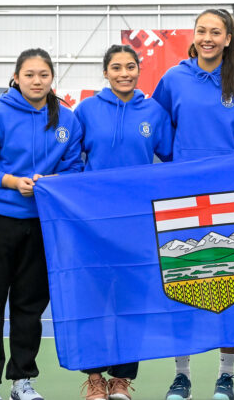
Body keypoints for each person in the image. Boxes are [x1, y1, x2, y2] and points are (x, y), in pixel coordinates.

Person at [0, 48, 85, 400]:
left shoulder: (68, 119)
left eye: (43, 74)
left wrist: (53, 182)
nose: (36, 80)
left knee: (30, 304)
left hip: (43, 224)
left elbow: (75, 167)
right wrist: (12, 181)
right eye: (29, 74)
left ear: (52, 79)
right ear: (16, 77)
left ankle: (22, 380)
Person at [153, 8, 234, 400]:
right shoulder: (173, 78)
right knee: (182, 284)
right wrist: (183, 167)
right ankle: (182, 375)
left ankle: (225, 376)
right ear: (193, 35)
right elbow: (160, 132)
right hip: (181, 198)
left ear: (229, 38)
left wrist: (232, 171)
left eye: (216, 32)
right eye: (202, 31)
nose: (208, 37)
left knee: (230, 286)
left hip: (231, 201)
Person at [74, 44, 173, 400]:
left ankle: (121, 379)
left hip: (137, 221)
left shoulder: (154, 112)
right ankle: (96, 378)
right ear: (105, 72)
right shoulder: (85, 110)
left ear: (139, 70)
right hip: (94, 222)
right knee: (95, 300)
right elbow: (70, 160)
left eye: (130, 67)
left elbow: (174, 158)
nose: (124, 73)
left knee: (131, 300)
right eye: (116, 67)